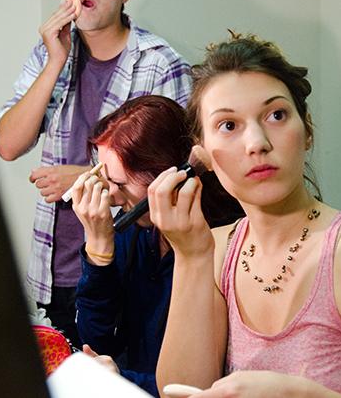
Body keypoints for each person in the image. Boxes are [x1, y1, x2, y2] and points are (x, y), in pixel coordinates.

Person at [148, 34, 341, 397]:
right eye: (229, 126)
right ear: (204, 158)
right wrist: (191, 256)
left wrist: (304, 395)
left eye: (276, 115)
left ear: (307, 131)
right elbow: (184, 391)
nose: (257, 142)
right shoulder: (215, 250)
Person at [0, 0, 191, 347]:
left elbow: (182, 173)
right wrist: (53, 61)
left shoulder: (161, 62)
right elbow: (8, 144)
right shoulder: (49, 54)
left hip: (131, 266)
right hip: (57, 266)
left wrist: (84, 176)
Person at [69, 95, 242, 397]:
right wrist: (98, 252)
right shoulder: (134, 230)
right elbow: (96, 342)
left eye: (119, 184)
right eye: (103, 178)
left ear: (167, 178)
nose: (110, 196)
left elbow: (208, 381)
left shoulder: (224, 244)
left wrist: (124, 378)